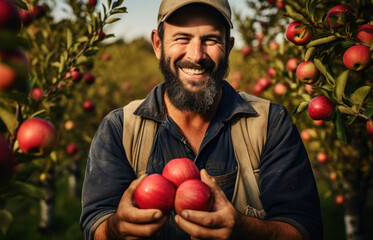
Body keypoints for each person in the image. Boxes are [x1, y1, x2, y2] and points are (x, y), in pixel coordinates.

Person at [80, 0, 323, 239]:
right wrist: (115, 228)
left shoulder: (270, 123)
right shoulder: (120, 128)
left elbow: (304, 227)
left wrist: (246, 231)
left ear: (228, 47)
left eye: (211, 40)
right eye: (182, 38)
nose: (196, 56)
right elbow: (96, 222)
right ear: (157, 44)